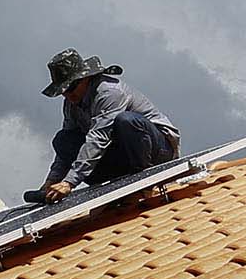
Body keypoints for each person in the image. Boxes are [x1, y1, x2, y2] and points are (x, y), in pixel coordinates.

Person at [35, 49, 179, 203]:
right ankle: (116, 186)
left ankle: (143, 182)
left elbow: (98, 138)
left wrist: (70, 182)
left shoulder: (109, 93)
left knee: (126, 121)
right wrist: (53, 181)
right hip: (120, 156)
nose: (68, 95)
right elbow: (65, 153)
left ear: (85, 78)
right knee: (63, 140)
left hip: (156, 151)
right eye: (63, 91)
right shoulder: (71, 105)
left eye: (71, 88)